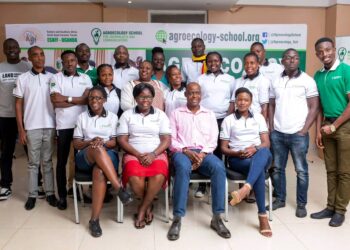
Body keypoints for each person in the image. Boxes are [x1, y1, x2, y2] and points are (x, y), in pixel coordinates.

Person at [167, 82, 230, 241]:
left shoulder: (209, 114)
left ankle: (217, 217)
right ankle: (177, 218)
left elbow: (213, 139)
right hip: (182, 151)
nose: (194, 96)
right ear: (186, 95)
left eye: (197, 93)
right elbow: (171, 140)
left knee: (219, 167)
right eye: (191, 93)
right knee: (182, 166)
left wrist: (202, 155)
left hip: (204, 152)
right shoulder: (176, 113)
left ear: (200, 95)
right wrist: (186, 151)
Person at [73, 86, 132, 237]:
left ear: (104, 100)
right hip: (85, 157)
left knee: (99, 172)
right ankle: (119, 188)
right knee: (96, 148)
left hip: (108, 155)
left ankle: (94, 220)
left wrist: (102, 142)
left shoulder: (113, 117)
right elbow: (77, 144)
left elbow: (114, 142)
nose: (94, 101)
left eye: (98, 98)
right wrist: (91, 142)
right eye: (92, 97)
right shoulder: (82, 117)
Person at [269, 48, 319, 217]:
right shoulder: (275, 80)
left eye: (295, 58)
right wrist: (271, 127)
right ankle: (280, 199)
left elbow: (314, 107)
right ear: (282, 60)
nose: (292, 60)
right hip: (278, 132)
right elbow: (271, 104)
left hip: (298, 134)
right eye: (288, 58)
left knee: (301, 170)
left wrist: (304, 130)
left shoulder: (308, 80)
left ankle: (301, 204)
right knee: (277, 169)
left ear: (299, 61)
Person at [117, 83, 171, 229]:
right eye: (141, 97)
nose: (145, 100)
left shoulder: (161, 115)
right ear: (135, 98)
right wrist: (138, 154)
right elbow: (122, 140)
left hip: (157, 153)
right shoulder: (127, 115)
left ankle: (141, 209)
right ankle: (148, 206)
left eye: (148, 97)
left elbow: (166, 140)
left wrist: (153, 154)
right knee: (134, 177)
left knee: (159, 174)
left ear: (153, 98)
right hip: (134, 153)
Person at [221, 87, 273, 237]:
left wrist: (255, 148)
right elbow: (223, 148)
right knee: (259, 171)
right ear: (236, 101)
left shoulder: (259, 118)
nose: (242, 102)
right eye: (239, 99)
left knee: (263, 151)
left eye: (246, 100)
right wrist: (237, 152)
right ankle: (262, 217)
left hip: (260, 154)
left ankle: (245, 189)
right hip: (239, 159)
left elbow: (266, 143)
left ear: (251, 102)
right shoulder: (228, 120)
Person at [310, 37, 350, 227]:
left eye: (327, 50)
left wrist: (335, 126)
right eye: (320, 51)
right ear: (317, 54)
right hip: (327, 125)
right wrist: (319, 131)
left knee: (344, 172)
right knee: (330, 170)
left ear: (334, 49)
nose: (324, 54)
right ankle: (330, 206)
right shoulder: (317, 76)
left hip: (345, 126)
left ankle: (340, 210)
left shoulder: (346, 70)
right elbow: (317, 108)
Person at [13, 46, 57, 210]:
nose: (39, 58)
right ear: (30, 58)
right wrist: (21, 129)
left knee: (47, 161)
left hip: (50, 125)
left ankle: (51, 193)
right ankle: (32, 195)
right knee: (33, 163)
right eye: (35, 55)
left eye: (42, 54)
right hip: (31, 127)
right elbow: (18, 104)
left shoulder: (53, 77)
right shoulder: (23, 78)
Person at [50, 50, 93, 210]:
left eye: (72, 60)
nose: (70, 63)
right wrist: (78, 100)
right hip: (63, 126)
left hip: (81, 126)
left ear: (76, 61)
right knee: (61, 162)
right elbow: (56, 102)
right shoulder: (56, 78)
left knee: (80, 160)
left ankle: (78, 191)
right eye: (66, 60)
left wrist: (66, 98)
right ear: (62, 63)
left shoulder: (85, 78)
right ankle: (62, 196)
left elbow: (87, 100)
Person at [196, 51, 235, 197]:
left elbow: (232, 101)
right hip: (204, 120)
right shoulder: (200, 79)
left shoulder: (230, 79)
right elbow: (197, 99)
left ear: (221, 62)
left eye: (216, 61)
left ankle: (218, 185)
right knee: (204, 150)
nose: (213, 63)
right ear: (206, 63)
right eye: (210, 61)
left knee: (220, 151)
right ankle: (202, 185)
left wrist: (228, 120)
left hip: (223, 119)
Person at [0, 38, 31, 200]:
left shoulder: (28, 67)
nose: (12, 49)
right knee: (6, 152)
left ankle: (37, 183)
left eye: (14, 47)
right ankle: (5, 185)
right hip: (5, 117)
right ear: (4, 50)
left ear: (19, 49)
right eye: (8, 47)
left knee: (31, 152)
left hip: (27, 117)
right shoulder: (0, 68)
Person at [228, 52, 270, 120]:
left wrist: (263, 126)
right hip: (237, 120)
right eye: (246, 63)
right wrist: (227, 121)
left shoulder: (263, 81)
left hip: (254, 121)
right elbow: (232, 104)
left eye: (252, 63)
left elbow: (264, 107)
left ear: (258, 64)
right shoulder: (238, 81)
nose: (248, 66)